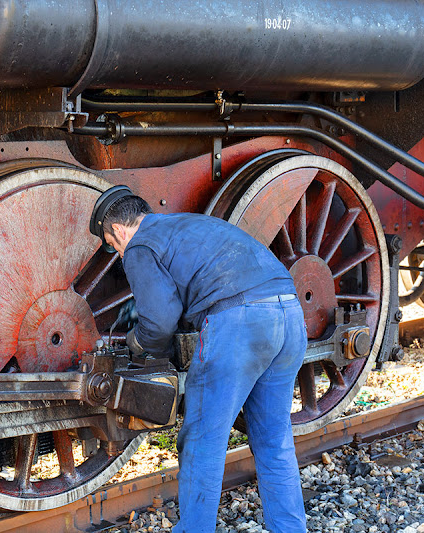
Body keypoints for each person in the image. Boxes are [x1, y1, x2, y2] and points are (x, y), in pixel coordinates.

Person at [89, 185, 308, 533]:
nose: (118, 253)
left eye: (113, 246)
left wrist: (137, 343)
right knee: (274, 440)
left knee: (203, 441)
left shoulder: (139, 245)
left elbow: (159, 321)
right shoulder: (187, 225)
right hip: (290, 316)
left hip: (240, 324)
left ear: (117, 230)